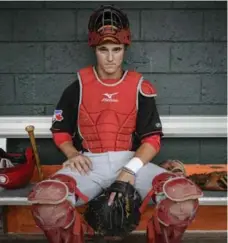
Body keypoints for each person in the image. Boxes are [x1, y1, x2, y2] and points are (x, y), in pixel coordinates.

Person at [27, 5, 203, 243]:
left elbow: (152, 140)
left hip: (131, 161)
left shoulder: (140, 87)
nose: (110, 57)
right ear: (94, 49)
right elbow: (60, 130)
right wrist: (71, 153)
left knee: (181, 199)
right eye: (103, 49)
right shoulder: (77, 86)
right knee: (48, 200)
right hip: (89, 163)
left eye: (116, 49)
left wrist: (129, 171)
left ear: (124, 49)